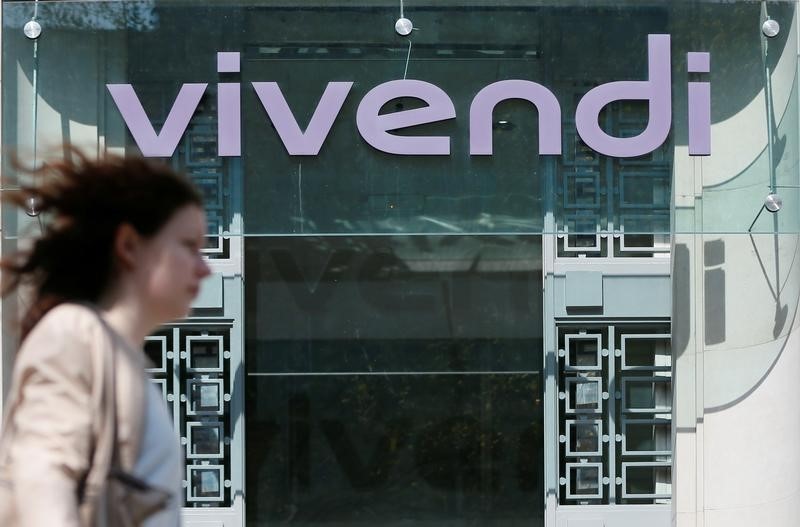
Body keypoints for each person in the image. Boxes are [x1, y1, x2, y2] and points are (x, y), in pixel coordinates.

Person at [0, 152, 211, 526]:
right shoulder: (74, 335)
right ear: (129, 245)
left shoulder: (124, 360)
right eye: (188, 246)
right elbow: (41, 479)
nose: (204, 267)